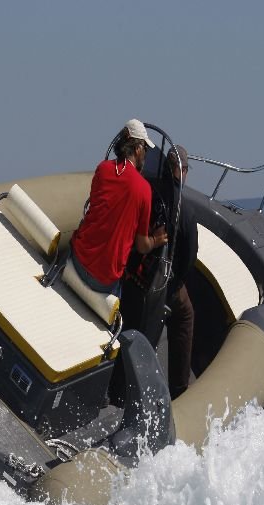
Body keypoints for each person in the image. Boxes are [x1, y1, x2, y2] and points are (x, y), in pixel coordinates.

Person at [70, 119, 168, 295]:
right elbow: (142, 246)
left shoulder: (103, 169)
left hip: (78, 260)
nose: (145, 155)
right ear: (137, 149)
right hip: (103, 281)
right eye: (145, 149)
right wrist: (156, 240)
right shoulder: (144, 189)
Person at [164, 145, 198, 399]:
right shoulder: (184, 209)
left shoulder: (151, 192)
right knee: (186, 315)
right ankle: (179, 389)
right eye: (185, 169)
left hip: (140, 277)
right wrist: (178, 282)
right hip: (166, 283)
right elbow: (189, 255)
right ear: (181, 170)